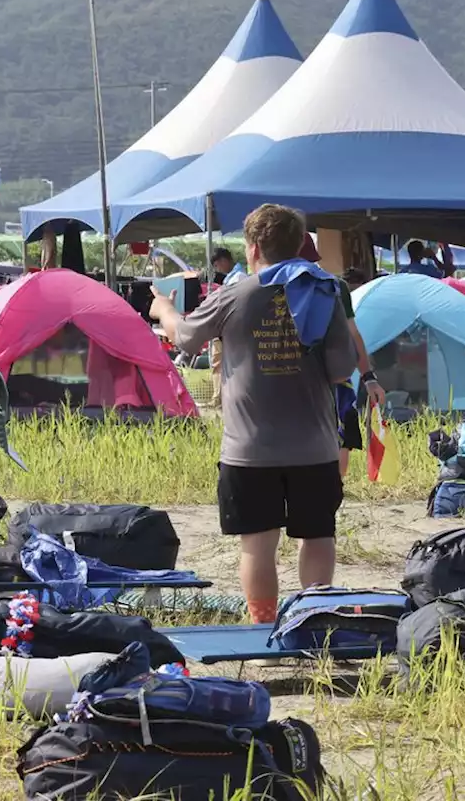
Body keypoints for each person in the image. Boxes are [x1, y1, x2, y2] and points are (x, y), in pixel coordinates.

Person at [150, 204, 356, 626]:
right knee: (317, 537)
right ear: (300, 243)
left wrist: (163, 310)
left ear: (253, 247)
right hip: (314, 447)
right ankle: (312, 627)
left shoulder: (234, 294)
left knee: (257, 547)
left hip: (250, 450)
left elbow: (186, 339)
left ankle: (263, 633)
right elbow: (341, 369)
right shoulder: (325, 292)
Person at [296, 236, 387, 477]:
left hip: (292, 378)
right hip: (335, 376)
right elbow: (352, 335)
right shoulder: (335, 286)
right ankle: (335, 489)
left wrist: (369, 377)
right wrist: (368, 377)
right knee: (340, 435)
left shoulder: (268, 287)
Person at [206, 247, 248, 407]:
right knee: (218, 362)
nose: (217, 269)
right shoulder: (231, 277)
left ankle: (222, 399)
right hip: (225, 328)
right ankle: (218, 397)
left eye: (217, 265)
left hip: (231, 329)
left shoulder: (238, 278)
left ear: (224, 261)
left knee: (226, 364)